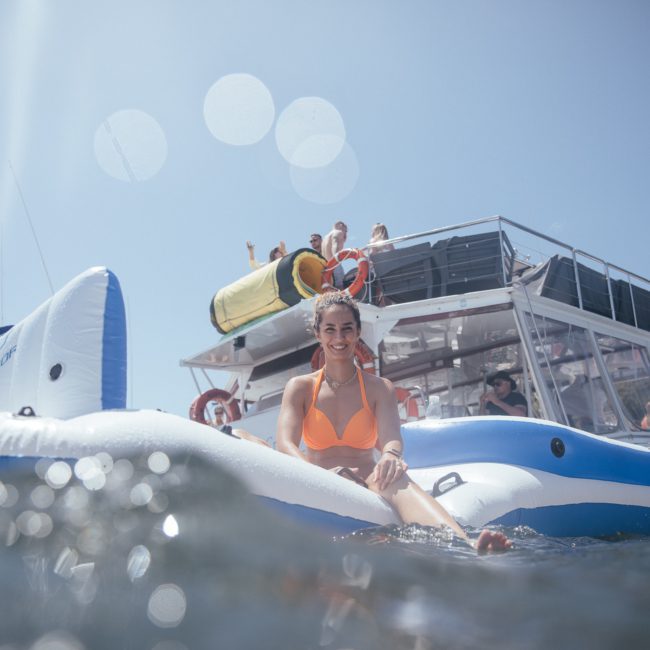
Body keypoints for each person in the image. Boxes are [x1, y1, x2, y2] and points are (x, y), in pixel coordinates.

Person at [276, 292, 511, 553]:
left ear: (358, 332)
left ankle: (467, 545)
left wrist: (390, 455)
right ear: (317, 333)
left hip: (367, 477)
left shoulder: (380, 388)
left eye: (347, 329)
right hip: (316, 476)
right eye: (330, 329)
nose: (339, 338)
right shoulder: (300, 387)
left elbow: (391, 436)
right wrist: (320, 476)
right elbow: (286, 444)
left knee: (397, 479)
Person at [322, 221, 348, 288]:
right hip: (335, 264)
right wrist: (336, 258)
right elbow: (335, 245)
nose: (345, 233)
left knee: (331, 289)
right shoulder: (338, 232)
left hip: (326, 267)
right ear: (341, 225)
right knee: (340, 287)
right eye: (346, 230)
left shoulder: (325, 237)